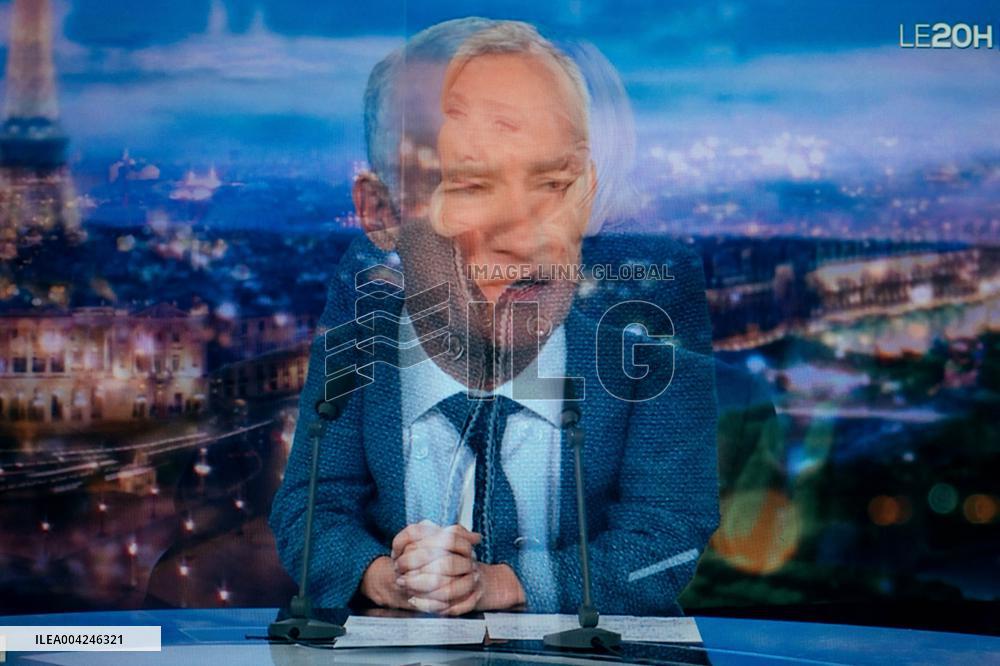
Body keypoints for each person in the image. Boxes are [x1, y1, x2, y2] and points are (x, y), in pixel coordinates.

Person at [270, 18, 720, 617]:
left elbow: (670, 539)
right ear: (379, 213)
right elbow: (307, 511)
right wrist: (385, 578)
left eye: (555, 184)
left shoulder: (650, 371)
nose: (530, 238)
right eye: (472, 185)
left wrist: (506, 584)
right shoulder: (357, 355)